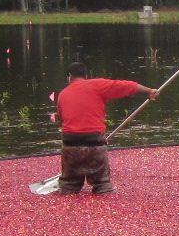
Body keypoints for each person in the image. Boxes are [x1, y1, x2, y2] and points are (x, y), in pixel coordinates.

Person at [56, 61, 161, 194]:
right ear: (86, 75)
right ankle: (102, 188)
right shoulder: (98, 85)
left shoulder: (62, 94)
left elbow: (63, 119)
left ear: (70, 76)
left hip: (70, 147)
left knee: (68, 187)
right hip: (95, 145)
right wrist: (149, 91)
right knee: (102, 185)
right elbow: (127, 86)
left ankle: (68, 186)